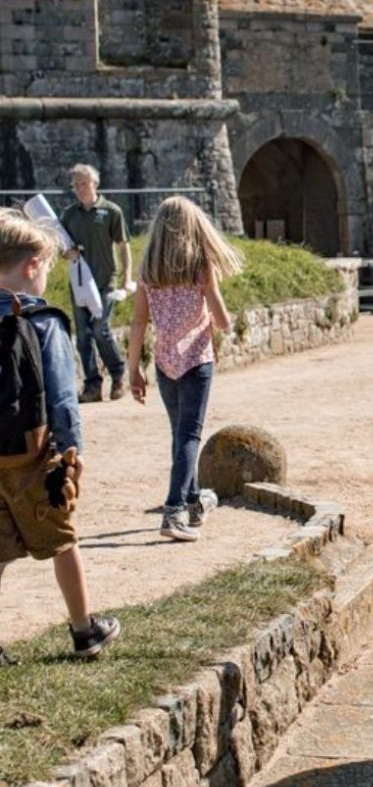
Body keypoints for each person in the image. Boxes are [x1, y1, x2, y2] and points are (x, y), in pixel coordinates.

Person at [0, 208, 120, 662]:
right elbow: (62, 398)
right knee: (63, 540)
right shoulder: (45, 321)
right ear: (32, 265)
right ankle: (84, 629)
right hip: (36, 455)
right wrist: (73, 455)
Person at [126, 197, 243, 542]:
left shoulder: (148, 270)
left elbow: (137, 322)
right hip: (196, 360)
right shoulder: (201, 266)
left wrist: (132, 370)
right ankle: (174, 510)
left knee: (180, 435)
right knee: (189, 436)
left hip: (164, 364)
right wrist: (213, 314)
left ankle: (193, 502)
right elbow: (221, 321)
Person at [60, 164, 134, 403]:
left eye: (84, 183)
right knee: (82, 336)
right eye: (76, 185)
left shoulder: (111, 211)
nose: (80, 189)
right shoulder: (69, 215)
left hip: (106, 281)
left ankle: (119, 373)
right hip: (79, 282)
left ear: (95, 184)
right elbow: (61, 246)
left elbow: (124, 246)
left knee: (101, 330)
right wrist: (67, 254)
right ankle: (92, 385)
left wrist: (126, 278)